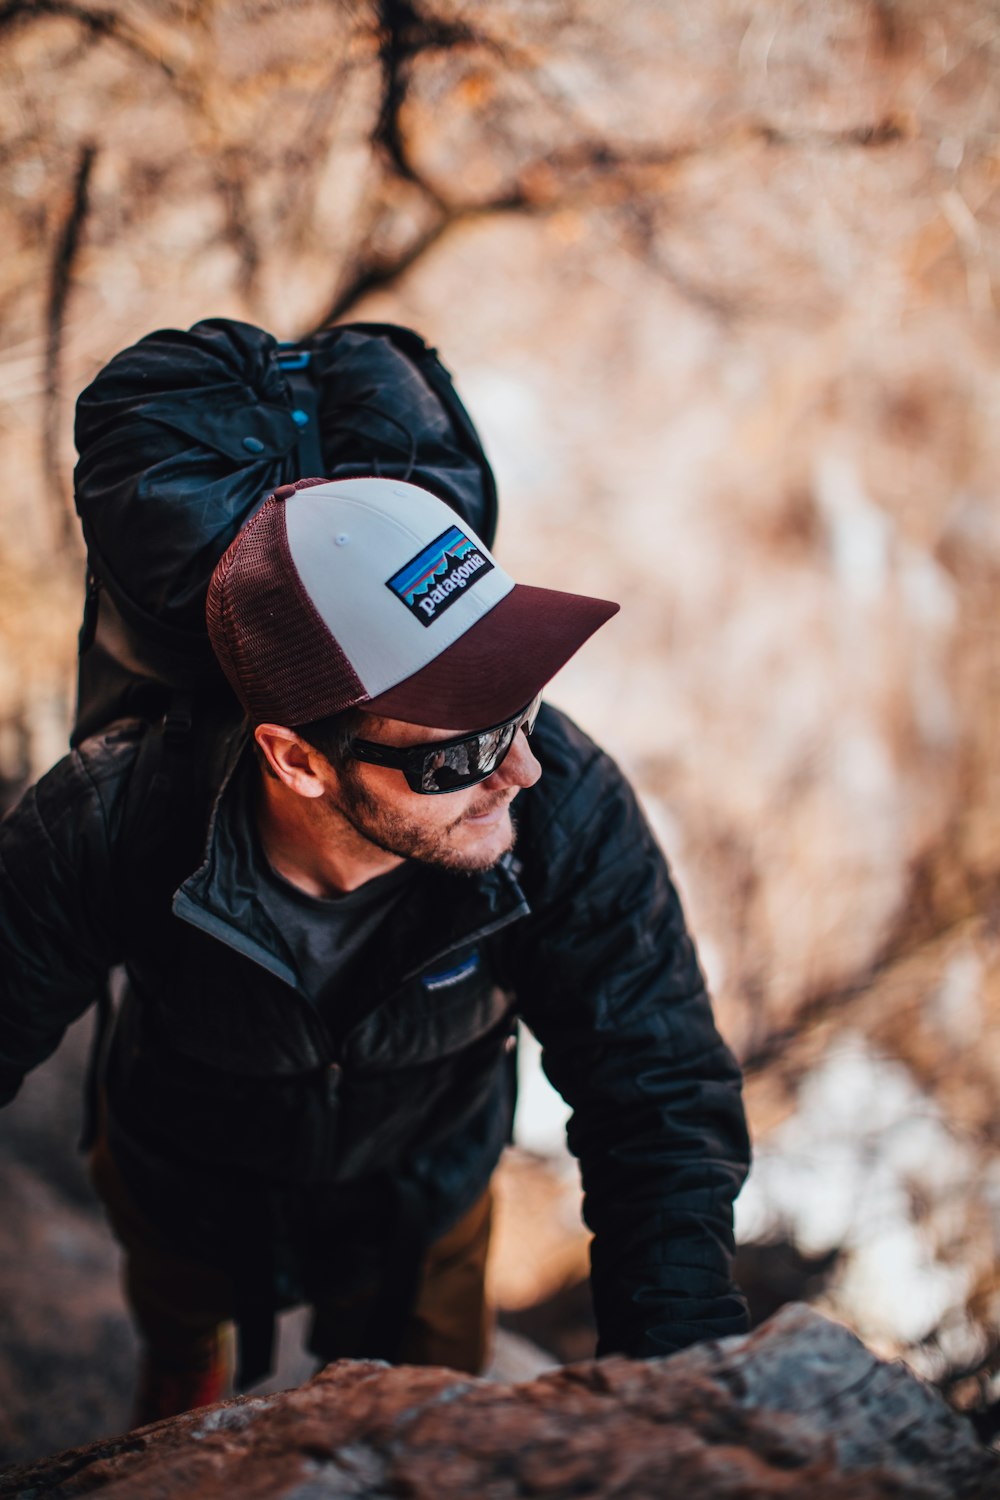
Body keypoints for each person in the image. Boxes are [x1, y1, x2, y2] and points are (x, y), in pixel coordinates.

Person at [0, 474, 750, 1422]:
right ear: (298, 760)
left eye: (520, 705)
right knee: (180, 1342)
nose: (524, 768)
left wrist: (674, 1389)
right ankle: (184, 1384)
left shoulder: (565, 814)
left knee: (428, 1420)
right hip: (188, 1175)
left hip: (427, 1199)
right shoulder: (112, 818)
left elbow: (661, 1092)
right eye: (461, 753)